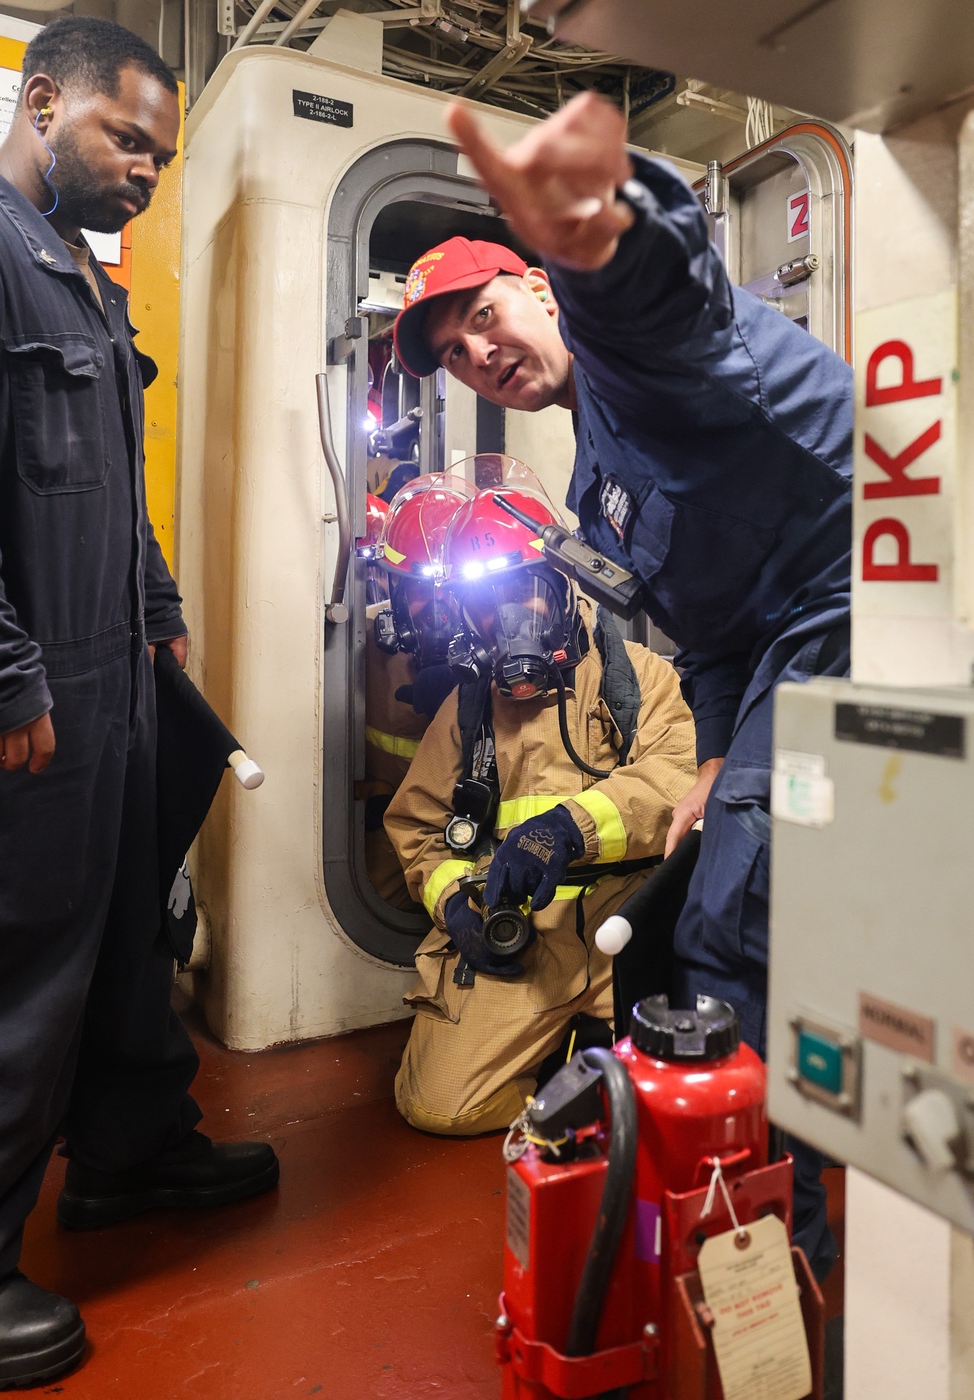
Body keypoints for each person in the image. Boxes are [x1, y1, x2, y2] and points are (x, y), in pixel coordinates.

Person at [391, 92, 853, 1276]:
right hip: (777, 654)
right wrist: (706, 758)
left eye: (485, 316)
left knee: (726, 922)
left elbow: (670, 304)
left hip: (872, 600)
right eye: (453, 354)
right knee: (677, 932)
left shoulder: (628, 357)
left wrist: (601, 232)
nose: (479, 355)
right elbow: (705, 631)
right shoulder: (595, 458)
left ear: (541, 291)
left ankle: (763, 1266)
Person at [0, 18, 276, 1389]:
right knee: (18, 970)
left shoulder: (86, 281)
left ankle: (127, 1152)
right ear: (44, 105)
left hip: (117, 673)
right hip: (26, 690)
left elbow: (110, 473)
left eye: (161, 148)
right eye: (126, 139)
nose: (148, 168)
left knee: (128, 927)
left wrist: (158, 620)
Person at [384, 485, 696, 1134]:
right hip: (523, 940)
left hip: (625, 929)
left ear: (561, 584)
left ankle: (586, 1060)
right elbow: (417, 828)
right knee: (436, 1106)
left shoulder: (637, 678)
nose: (507, 619)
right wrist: (452, 905)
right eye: (485, 603)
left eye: (521, 591)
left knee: (669, 1098)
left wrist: (567, 828)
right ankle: (559, 1076)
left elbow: (677, 781)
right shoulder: (467, 709)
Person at [363, 474, 471, 908]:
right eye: (422, 590)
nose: (439, 608)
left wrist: (468, 693)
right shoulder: (362, 646)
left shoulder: (514, 653)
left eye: (454, 588)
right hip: (388, 863)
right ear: (395, 592)